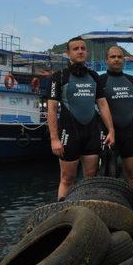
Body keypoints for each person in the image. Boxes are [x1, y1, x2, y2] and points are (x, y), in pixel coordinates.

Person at [47, 36, 115, 199]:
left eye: (83, 48)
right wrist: (54, 139)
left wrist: (111, 131)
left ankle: (87, 211)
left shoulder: (93, 76)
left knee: (90, 178)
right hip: (69, 133)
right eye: (76, 49)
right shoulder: (59, 77)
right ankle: (61, 213)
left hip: (91, 133)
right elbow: (52, 108)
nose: (80, 51)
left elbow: (103, 104)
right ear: (68, 53)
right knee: (67, 178)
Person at [99, 46, 133, 191]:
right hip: (107, 133)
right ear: (106, 60)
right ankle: (109, 206)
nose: (116, 59)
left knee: (131, 173)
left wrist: (129, 116)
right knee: (108, 174)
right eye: (113, 57)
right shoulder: (100, 81)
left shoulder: (132, 81)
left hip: (129, 132)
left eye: (119, 57)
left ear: (123, 59)